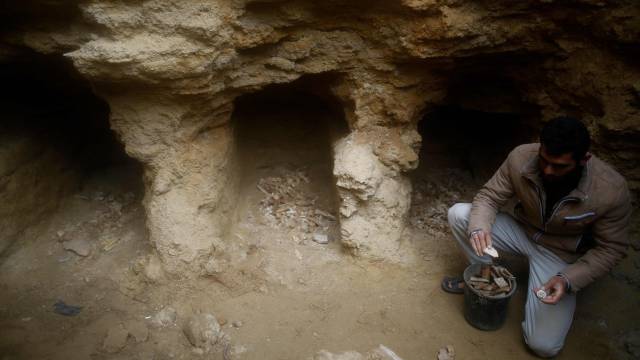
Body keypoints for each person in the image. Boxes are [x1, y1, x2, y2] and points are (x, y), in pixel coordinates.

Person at [441, 116, 632, 357]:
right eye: (544, 160)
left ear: (584, 160)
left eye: (559, 166)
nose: (548, 170)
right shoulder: (521, 157)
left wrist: (567, 279)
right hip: (523, 232)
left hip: (561, 254)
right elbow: (489, 197)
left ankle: (547, 282)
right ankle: (483, 276)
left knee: (543, 346)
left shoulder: (611, 190)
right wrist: (479, 227)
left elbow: (611, 249)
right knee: (461, 215)